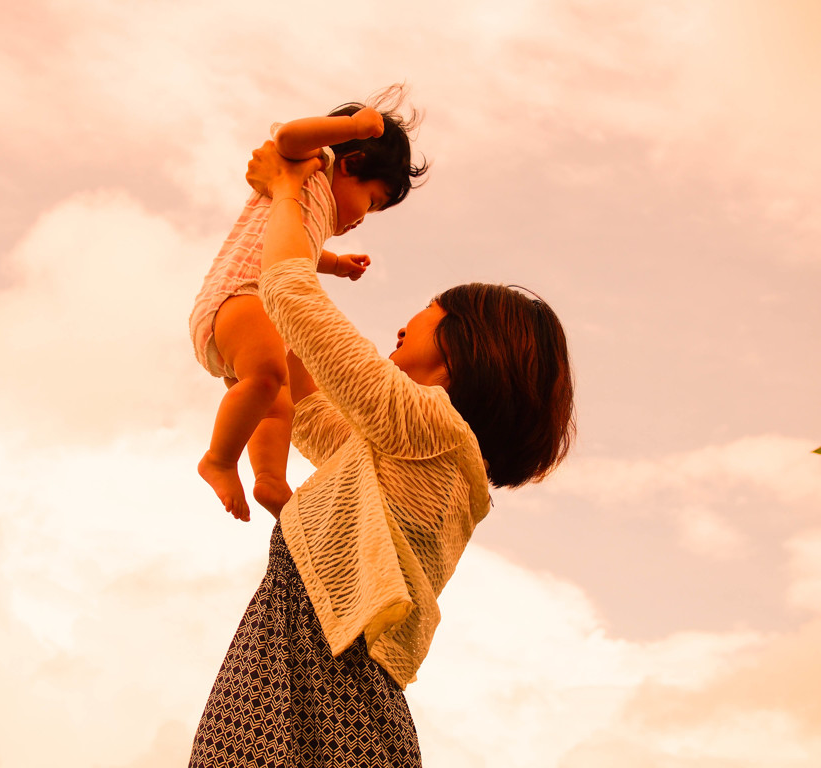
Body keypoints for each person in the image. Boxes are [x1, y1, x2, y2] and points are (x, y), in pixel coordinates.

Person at [187, 143, 577, 767]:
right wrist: (271, 294)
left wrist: (289, 193)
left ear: (464, 344)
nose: (403, 326)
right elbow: (309, 409)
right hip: (301, 674)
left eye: (426, 313)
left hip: (322, 686)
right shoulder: (410, 448)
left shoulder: (427, 426)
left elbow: (292, 295)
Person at [190, 85, 428, 523]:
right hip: (239, 293)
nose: (361, 218)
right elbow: (287, 138)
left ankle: (271, 478)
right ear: (353, 162)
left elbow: (296, 248)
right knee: (269, 376)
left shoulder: (307, 209)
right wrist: (353, 128)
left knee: (277, 401)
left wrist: (335, 263)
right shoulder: (317, 163)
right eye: (371, 201)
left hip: (258, 307)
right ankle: (219, 460)